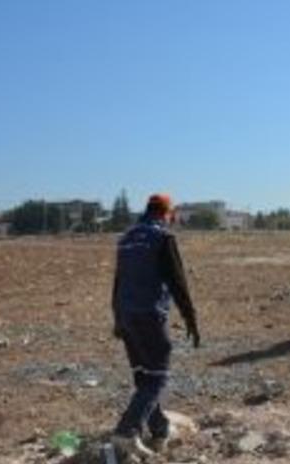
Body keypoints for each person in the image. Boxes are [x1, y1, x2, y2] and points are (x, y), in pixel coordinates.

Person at [111, 194, 200, 456]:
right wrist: (190, 318)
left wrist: (117, 318)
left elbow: (118, 282)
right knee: (158, 376)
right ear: (166, 214)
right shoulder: (163, 237)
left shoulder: (126, 238)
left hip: (126, 314)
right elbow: (177, 282)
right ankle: (127, 431)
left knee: (143, 376)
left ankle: (160, 429)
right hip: (149, 314)